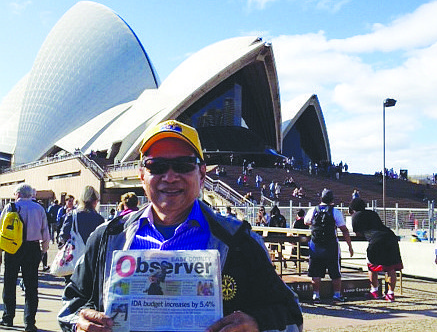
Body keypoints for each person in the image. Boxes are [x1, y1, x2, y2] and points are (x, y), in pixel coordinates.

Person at [57, 119, 303, 332]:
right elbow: (71, 304)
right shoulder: (107, 238)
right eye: (157, 166)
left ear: (202, 174)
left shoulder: (239, 241)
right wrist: (79, 322)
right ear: (142, 176)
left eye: (184, 165)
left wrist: (257, 323)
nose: (170, 176)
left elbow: (292, 317)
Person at [0, 183, 50, 331]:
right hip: (32, 248)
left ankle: (8, 317)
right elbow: (45, 232)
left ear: (18, 194)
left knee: (9, 283)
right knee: (31, 286)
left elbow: (1, 229)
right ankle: (29, 322)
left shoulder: (11, 207)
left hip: (13, 248)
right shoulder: (39, 208)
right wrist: (43, 250)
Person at [348, 198, 403, 301]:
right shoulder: (372, 213)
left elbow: (358, 233)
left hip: (376, 240)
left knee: (372, 266)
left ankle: (374, 291)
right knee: (390, 267)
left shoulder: (355, 216)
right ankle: (390, 294)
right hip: (390, 237)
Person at [304, 188, 354, 302]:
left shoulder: (313, 210)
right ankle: (337, 295)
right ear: (331, 199)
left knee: (315, 272)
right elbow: (344, 229)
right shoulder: (335, 212)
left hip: (315, 245)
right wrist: (349, 246)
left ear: (321, 198)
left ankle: (316, 295)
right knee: (335, 271)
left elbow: (306, 222)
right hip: (331, 246)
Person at [58, 186, 105, 284]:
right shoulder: (99, 219)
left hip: (74, 257)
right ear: (95, 201)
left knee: (70, 286)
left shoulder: (72, 215)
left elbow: (63, 236)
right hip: (92, 258)